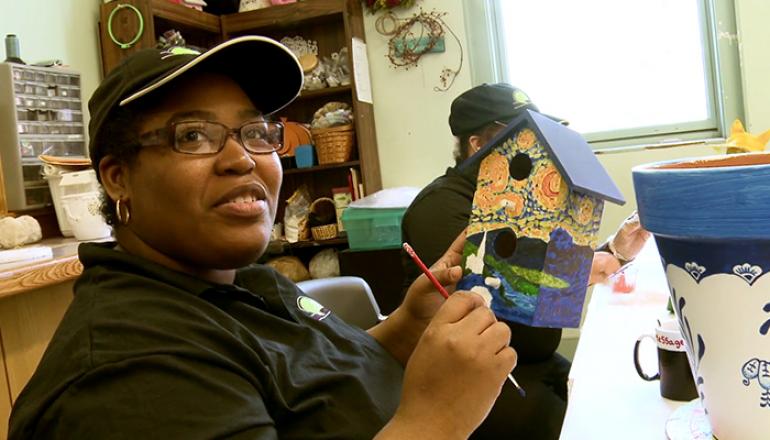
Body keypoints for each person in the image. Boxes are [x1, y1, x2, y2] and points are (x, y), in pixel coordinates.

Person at [8, 37, 518, 439]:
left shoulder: (245, 282)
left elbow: (311, 380)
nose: (242, 158)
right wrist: (437, 421)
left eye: (255, 132)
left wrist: (408, 328)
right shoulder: (131, 373)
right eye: (192, 135)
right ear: (118, 177)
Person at [401, 83, 650, 439]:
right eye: (522, 133)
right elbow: (493, 286)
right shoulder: (440, 207)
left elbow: (542, 267)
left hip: (533, 362)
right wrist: (578, 271)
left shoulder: (516, 200)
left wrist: (614, 251)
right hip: (473, 378)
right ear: (477, 144)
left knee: (611, 402)